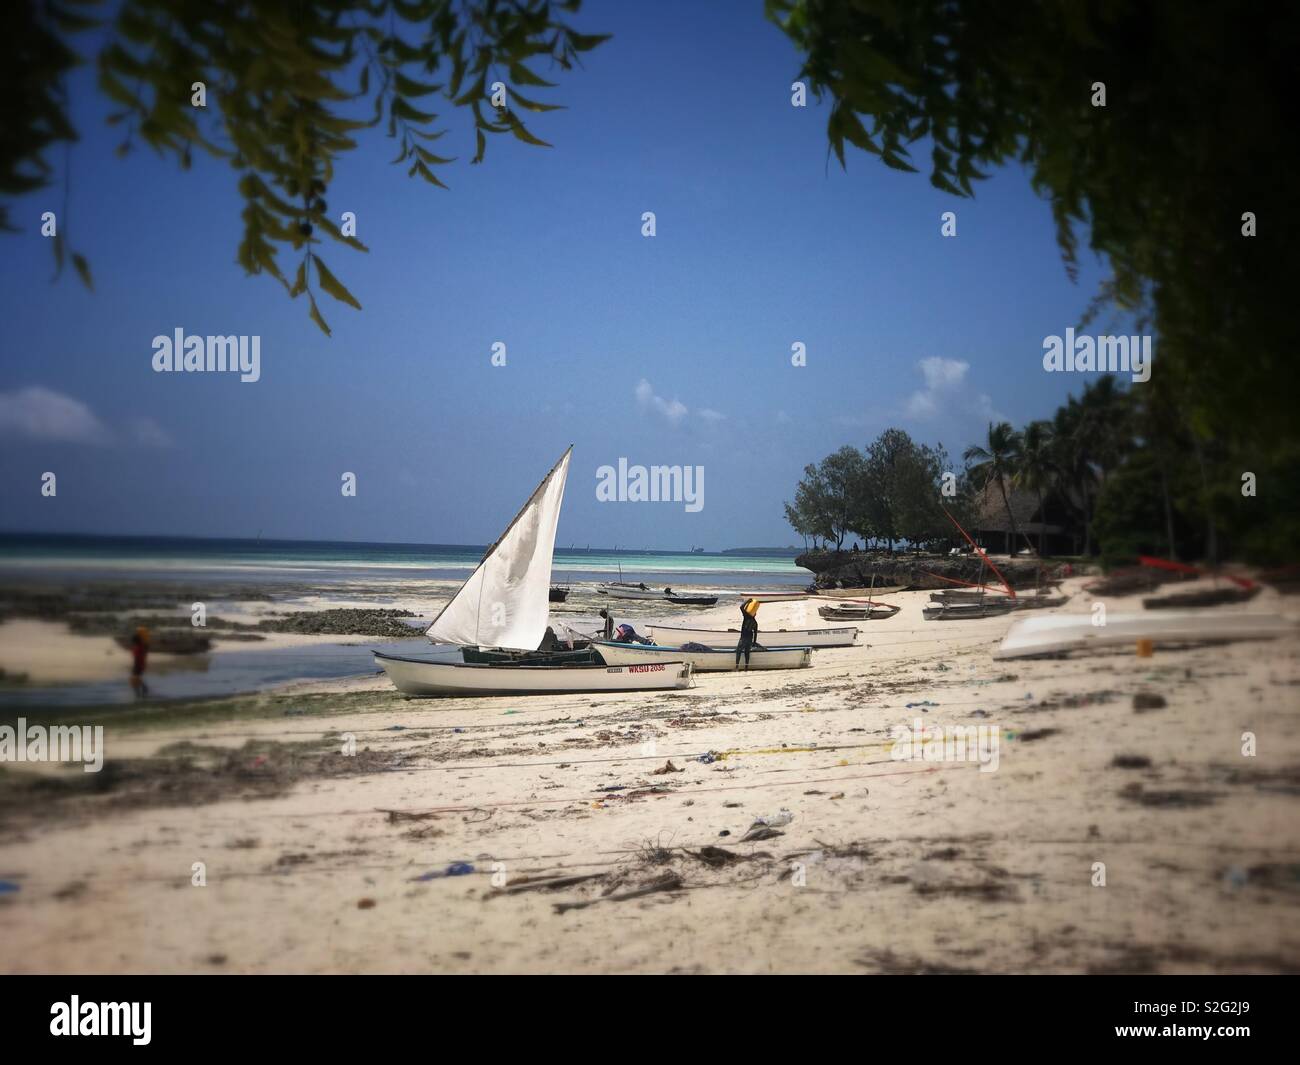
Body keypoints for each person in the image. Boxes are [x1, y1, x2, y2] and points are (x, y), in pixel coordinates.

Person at [735, 599, 761, 670]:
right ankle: (746, 667)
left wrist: (747, 601)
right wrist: (754, 642)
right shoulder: (755, 623)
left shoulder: (746, 616)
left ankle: (737, 667)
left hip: (743, 638)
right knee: (747, 653)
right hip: (749, 639)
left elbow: (741, 607)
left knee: (738, 651)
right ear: (755, 614)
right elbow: (755, 634)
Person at [129, 625, 150, 698]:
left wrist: (138, 666)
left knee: (134, 680)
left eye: (132, 641)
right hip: (140, 665)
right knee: (135, 679)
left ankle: (139, 692)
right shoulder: (140, 646)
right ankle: (143, 690)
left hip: (138, 665)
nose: (132, 642)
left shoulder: (138, 648)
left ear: (135, 641)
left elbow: (138, 658)